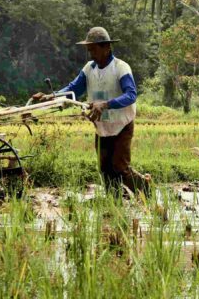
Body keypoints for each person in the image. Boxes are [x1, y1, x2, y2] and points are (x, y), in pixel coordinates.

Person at [32, 27, 150, 195]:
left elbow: (131, 95)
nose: (91, 54)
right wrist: (51, 97)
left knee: (120, 167)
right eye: (89, 50)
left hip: (121, 124)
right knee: (104, 168)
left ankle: (148, 191)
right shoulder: (89, 69)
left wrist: (105, 104)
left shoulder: (121, 68)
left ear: (106, 47)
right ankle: (113, 202)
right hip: (102, 126)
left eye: (94, 49)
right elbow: (73, 89)